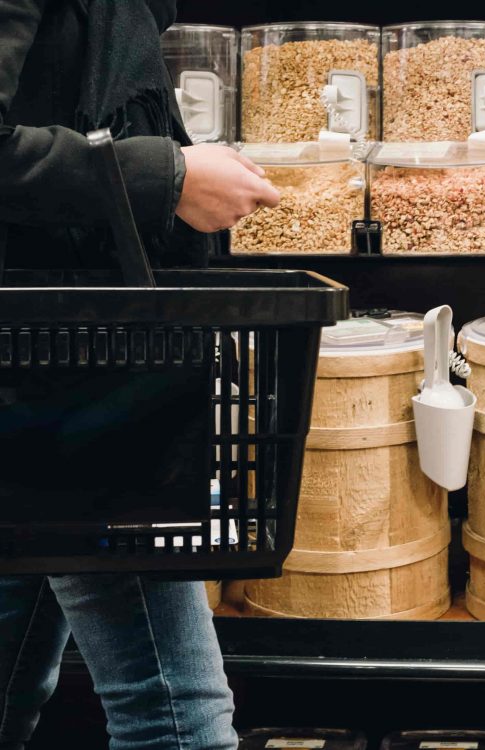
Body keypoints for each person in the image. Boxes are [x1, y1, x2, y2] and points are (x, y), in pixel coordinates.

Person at [0, 1, 280, 748]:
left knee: (10, 680)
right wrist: (171, 175)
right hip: (66, 373)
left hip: (60, 358)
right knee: (174, 714)